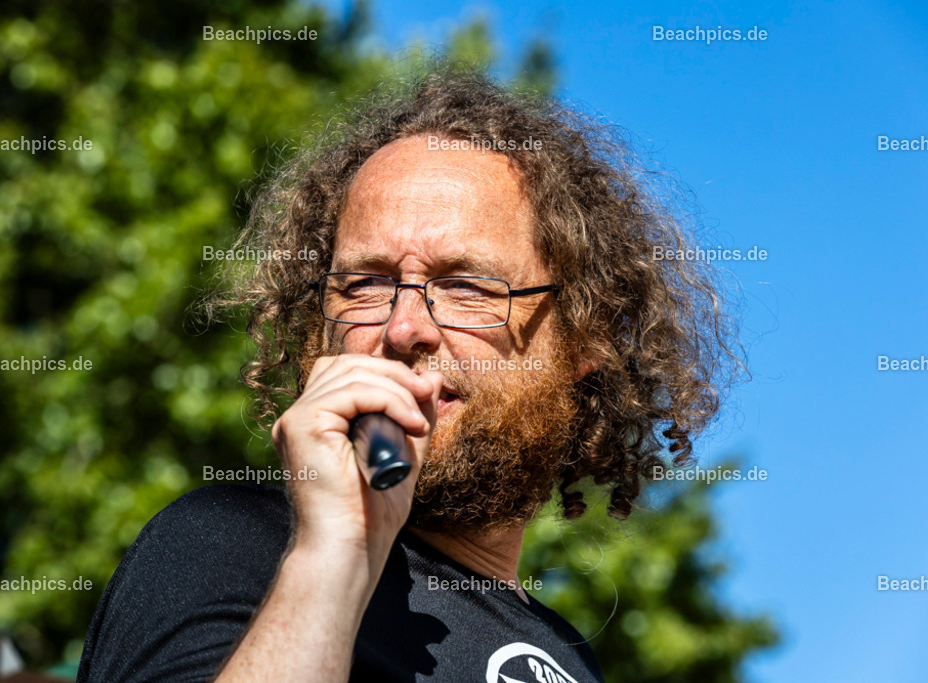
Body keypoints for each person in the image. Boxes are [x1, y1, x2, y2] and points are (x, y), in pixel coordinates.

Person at [76, 67, 738, 683]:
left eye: (467, 286)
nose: (403, 328)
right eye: (365, 284)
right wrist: (333, 558)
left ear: (588, 332)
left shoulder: (567, 654)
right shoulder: (231, 542)